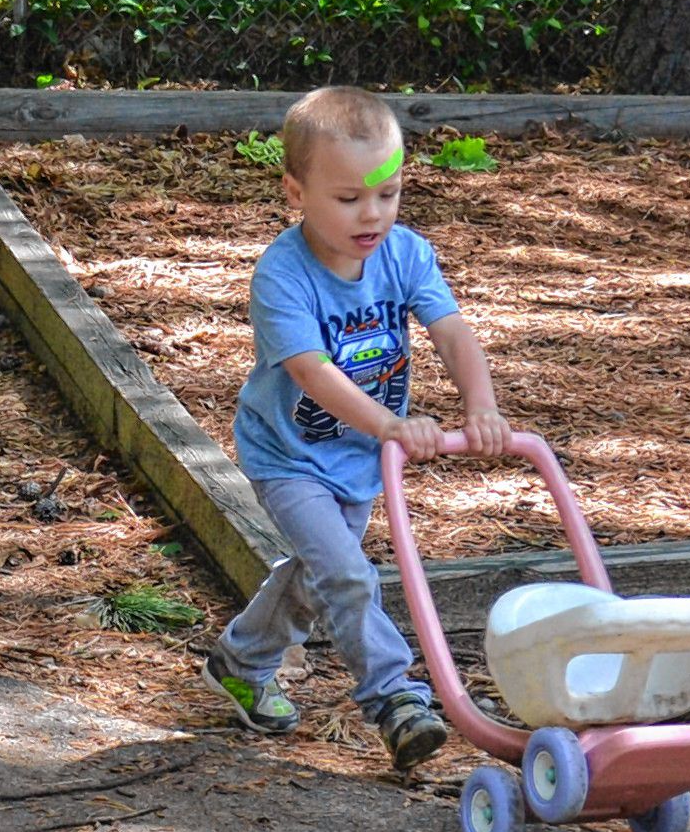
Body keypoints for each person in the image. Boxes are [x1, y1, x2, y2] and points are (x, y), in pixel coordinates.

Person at [202, 86, 512, 769]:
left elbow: (452, 332)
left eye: (388, 194)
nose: (372, 214)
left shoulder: (404, 254)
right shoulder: (283, 275)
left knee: (319, 578)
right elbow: (314, 374)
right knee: (345, 574)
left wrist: (480, 405)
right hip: (288, 455)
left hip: (361, 459)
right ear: (296, 191)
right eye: (348, 199)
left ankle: (239, 660)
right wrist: (393, 426)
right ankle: (393, 696)